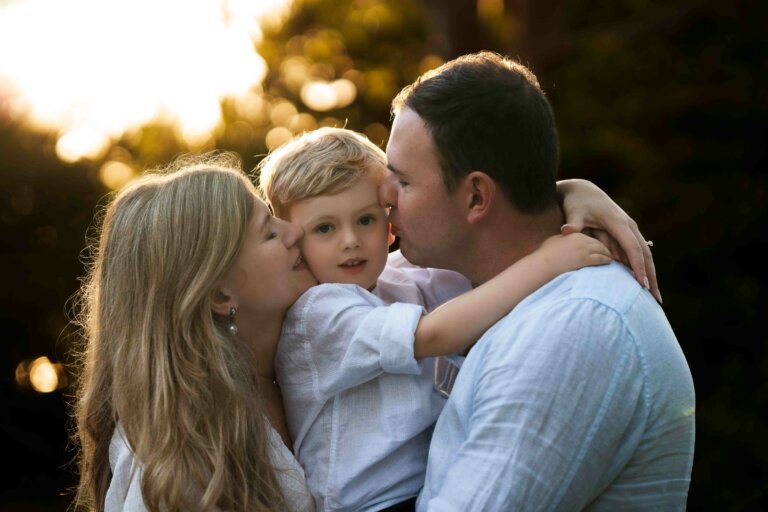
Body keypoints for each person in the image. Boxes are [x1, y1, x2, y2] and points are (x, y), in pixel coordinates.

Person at [379, 51, 696, 510]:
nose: (383, 195)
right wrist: (572, 189)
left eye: (403, 182)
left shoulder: (573, 328)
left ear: (475, 197)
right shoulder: (480, 289)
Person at [257, 127, 614, 511]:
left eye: (365, 220)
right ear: (294, 239)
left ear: (389, 222)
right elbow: (434, 334)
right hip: (368, 505)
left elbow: (492, 250)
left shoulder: (402, 277)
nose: (350, 241)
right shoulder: (316, 314)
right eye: (325, 228)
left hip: (434, 484)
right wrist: (549, 261)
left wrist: (571, 192)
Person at [70, 153, 317, 511]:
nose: (295, 231)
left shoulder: (312, 358)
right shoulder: (176, 466)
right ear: (219, 294)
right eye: (269, 232)